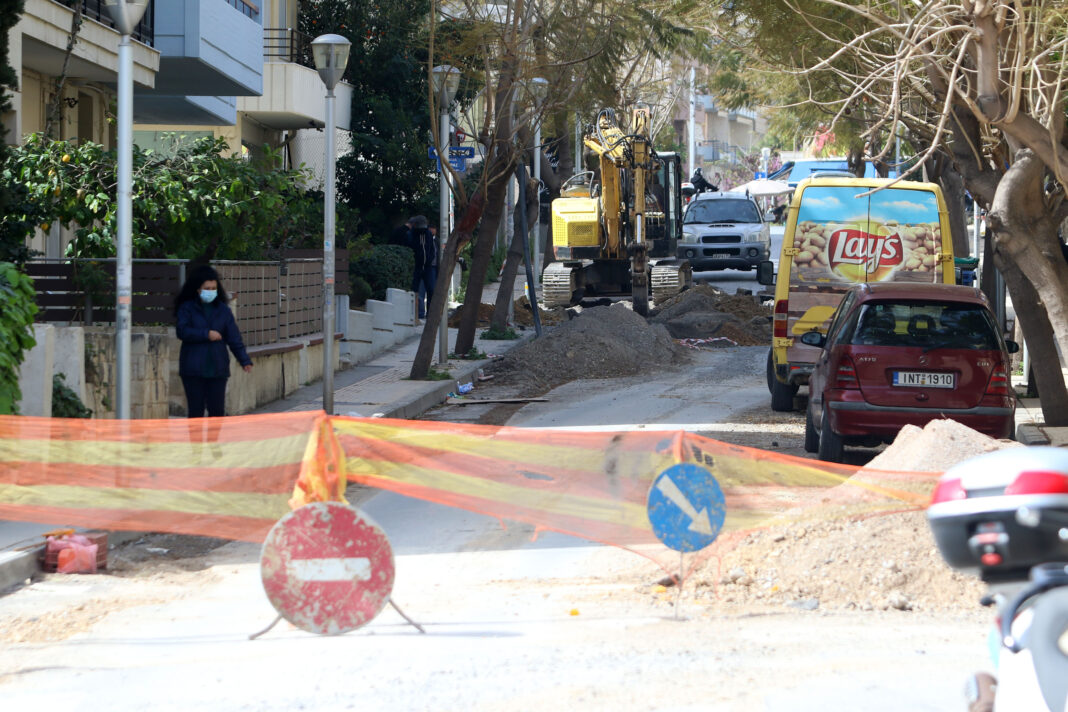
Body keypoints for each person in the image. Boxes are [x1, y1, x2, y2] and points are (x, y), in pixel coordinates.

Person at [174, 264, 253, 418]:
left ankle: (213, 442)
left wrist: (244, 360)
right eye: (207, 288)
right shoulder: (187, 308)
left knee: (217, 412)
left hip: (217, 369)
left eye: (213, 289)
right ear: (198, 289)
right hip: (193, 369)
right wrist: (205, 334)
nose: (210, 292)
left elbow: (234, 337)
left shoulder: (223, 311)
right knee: (195, 412)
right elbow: (182, 331)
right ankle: (196, 443)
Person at [409, 215, 438, 319]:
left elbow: (431, 249)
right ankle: (416, 314)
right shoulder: (412, 234)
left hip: (428, 267)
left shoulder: (428, 234)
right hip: (417, 267)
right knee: (415, 290)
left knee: (431, 289)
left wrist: (429, 260)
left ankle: (430, 313)